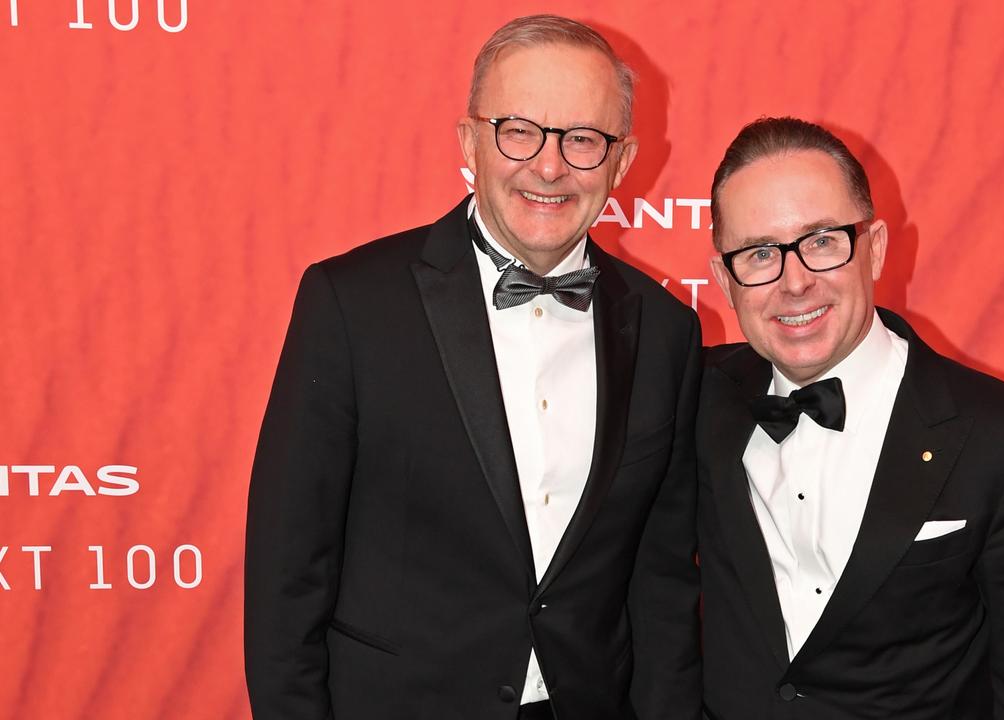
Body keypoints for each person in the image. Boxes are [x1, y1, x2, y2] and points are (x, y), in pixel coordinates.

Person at [244, 15, 702, 720]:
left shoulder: (668, 332)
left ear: (622, 160)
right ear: (470, 141)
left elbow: (662, 585)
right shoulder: (352, 303)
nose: (549, 167)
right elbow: (287, 572)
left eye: (583, 139)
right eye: (519, 130)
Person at [698, 117, 1004, 719]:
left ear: (876, 247)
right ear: (723, 281)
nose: (795, 282)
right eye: (759, 254)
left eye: (822, 241)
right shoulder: (692, 397)